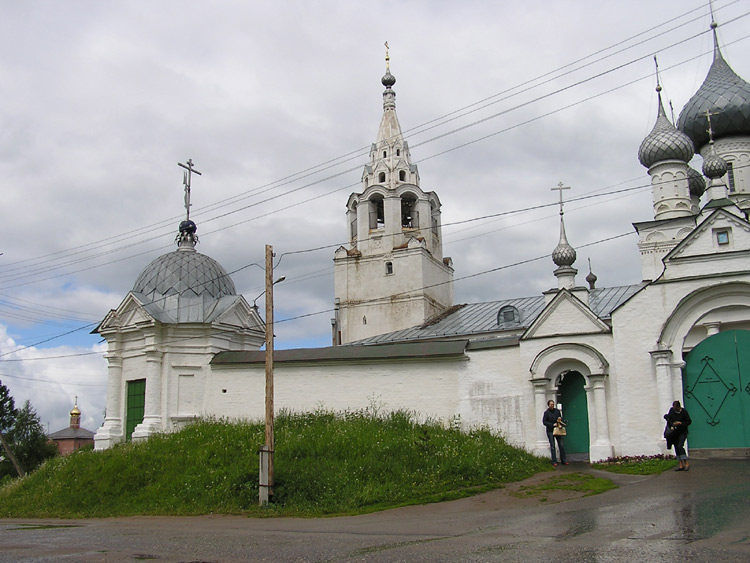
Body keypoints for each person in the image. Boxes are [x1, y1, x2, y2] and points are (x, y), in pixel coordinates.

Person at [664, 400, 691, 471]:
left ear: (679, 407)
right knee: (676, 446)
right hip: (675, 433)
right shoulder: (672, 411)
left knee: (680, 445)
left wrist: (680, 423)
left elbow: (689, 421)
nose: (674, 409)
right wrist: (667, 417)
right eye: (673, 408)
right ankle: (681, 464)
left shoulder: (684, 412)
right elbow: (669, 418)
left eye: (676, 408)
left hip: (682, 432)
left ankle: (686, 463)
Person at [542, 399, 567, 466]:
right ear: (548, 405)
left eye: (553, 404)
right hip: (550, 430)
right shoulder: (546, 413)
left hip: (557, 429)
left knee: (561, 445)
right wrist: (552, 424)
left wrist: (560, 422)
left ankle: (564, 460)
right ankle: (554, 461)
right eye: (551, 404)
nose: (552, 405)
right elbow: (544, 422)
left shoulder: (557, 411)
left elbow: (560, 418)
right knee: (552, 446)